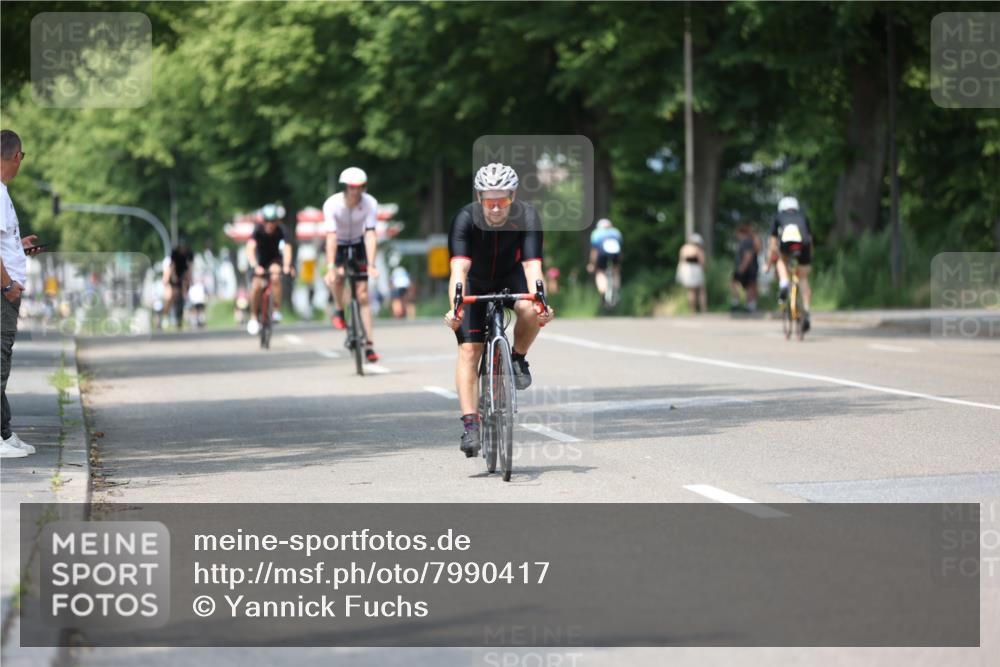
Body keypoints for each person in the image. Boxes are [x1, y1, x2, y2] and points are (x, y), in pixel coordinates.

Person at [443, 163, 554, 457]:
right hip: (475, 281)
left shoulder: (527, 216)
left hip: (511, 276)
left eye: (502, 200)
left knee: (531, 309)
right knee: (470, 351)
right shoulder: (465, 219)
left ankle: (517, 358)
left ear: (513, 196)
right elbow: (459, 269)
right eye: (489, 201)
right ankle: (471, 426)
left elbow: (532, 267)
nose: (495, 207)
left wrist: (541, 303)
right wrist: (456, 308)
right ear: (479, 197)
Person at [1, 129, 43, 458]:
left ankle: (4, 432)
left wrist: (19, 245)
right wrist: (7, 286)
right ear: (17, 156)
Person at [322, 167, 380, 363]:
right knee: (336, 278)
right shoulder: (332, 204)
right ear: (345, 187)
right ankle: (339, 309)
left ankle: (369, 345)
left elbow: (370, 234)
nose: (356, 192)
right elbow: (331, 237)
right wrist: (331, 266)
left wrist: (371, 264)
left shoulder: (370, 203)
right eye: (352, 187)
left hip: (358, 243)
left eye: (360, 187)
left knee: (363, 295)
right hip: (337, 244)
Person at [764, 196, 813, 333]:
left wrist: (768, 264)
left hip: (786, 244)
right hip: (803, 246)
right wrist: (809, 258)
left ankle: (784, 282)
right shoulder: (803, 216)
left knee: (781, 261)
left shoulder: (778, 216)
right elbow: (810, 239)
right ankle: (806, 310)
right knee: (803, 278)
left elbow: (773, 245)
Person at [245, 203, 294, 335]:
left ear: (277, 221)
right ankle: (253, 317)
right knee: (256, 286)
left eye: (273, 221)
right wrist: (254, 265)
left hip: (274, 260)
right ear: (263, 221)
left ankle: (276, 310)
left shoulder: (282, 230)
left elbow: (287, 249)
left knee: (276, 276)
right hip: (259, 261)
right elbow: (250, 248)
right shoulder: (258, 230)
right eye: (267, 221)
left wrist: (287, 265)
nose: (270, 224)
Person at [587, 218, 623, 300]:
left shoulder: (596, 233)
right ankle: (616, 290)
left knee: (600, 271)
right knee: (616, 271)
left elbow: (594, 251)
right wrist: (618, 263)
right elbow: (620, 249)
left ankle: (603, 291)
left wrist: (592, 264)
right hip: (615, 254)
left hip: (601, 254)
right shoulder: (616, 232)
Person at [163, 238, 193, 329]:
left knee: (184, 295)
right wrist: (173, 277)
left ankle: (182, 317)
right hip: (175, 276)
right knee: (172, 296)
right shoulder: (174, 253)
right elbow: (172, 266)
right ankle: (166, 317)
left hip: (183, 276)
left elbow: (190, 267)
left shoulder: (189, 253)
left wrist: (189, 279)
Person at [730, 224, 761, 312]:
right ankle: (751, 305)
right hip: (751, 268)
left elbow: (748, 255)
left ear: (741, 233)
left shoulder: (746, 241)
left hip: (746, 267)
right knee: (750, 286)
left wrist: (742, 267)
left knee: (735, 283)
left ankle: (737, 304)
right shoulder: (750, 240)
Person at [676, 233, 707, 313]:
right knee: (702, 290)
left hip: (686, 270)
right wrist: (703, 269)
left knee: (691, 291)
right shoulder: (698, 249)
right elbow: (702, 261)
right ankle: (703, 309)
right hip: (696, 269)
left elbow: (681, 261)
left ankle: (693, 310)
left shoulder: (684, 248)